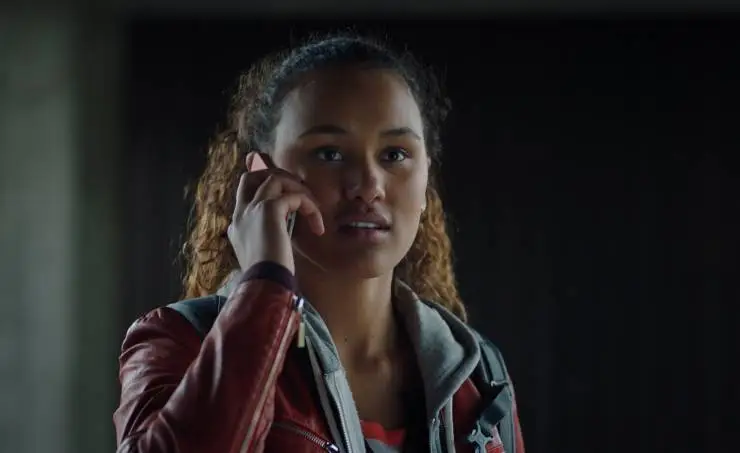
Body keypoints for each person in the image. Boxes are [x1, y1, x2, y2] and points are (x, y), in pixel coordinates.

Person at [113, 32, 525, 453]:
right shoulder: (181, 342)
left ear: (425, 182)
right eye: (329, 153)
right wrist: (266, 285)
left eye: (395, 154)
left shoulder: (480, 375)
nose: (369, 186)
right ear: (262, 175)